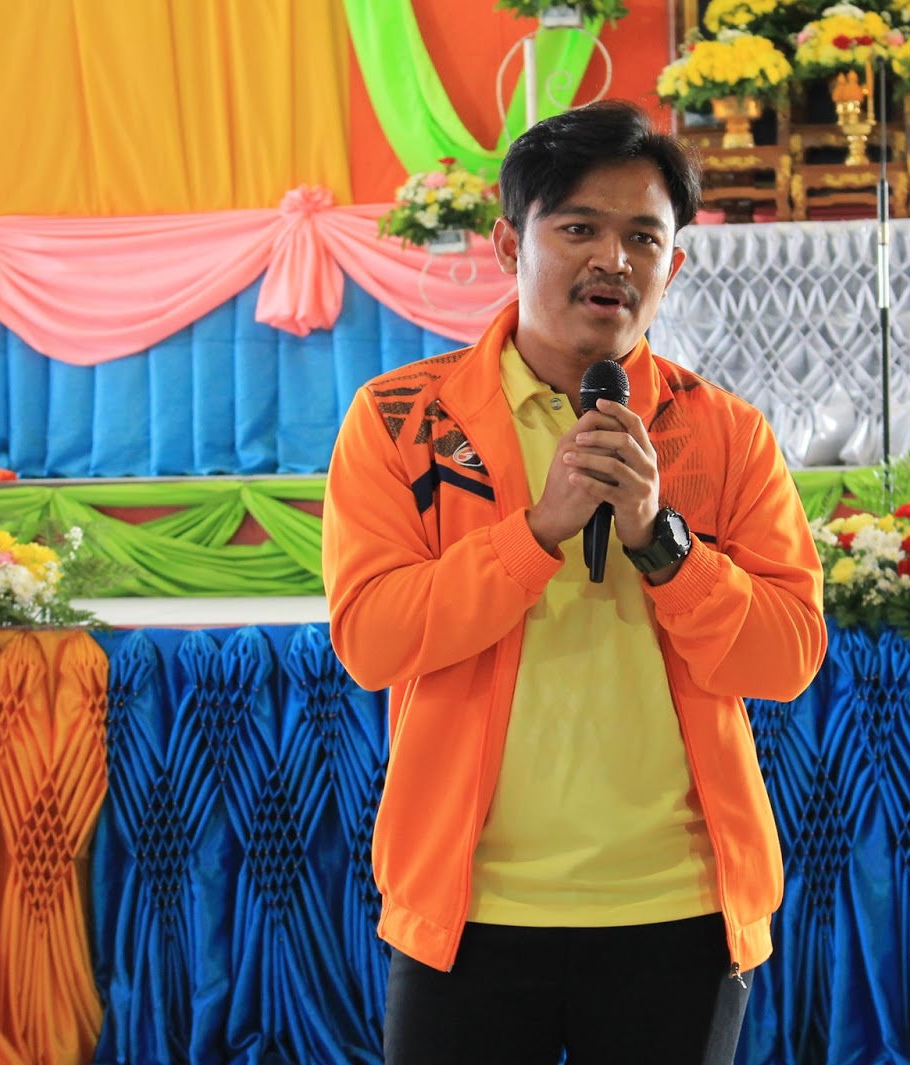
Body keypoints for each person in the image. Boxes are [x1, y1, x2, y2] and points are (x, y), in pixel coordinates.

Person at [322, 100, 827, 1065]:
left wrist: (663, 543)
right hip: (468, 910)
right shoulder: (402, 419)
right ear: (509, 242)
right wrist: (534, 534)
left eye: (644, 237)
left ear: (675, 264)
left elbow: (788, 657)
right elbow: (372, 639)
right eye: (579, 228)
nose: (614, 260)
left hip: (677, 908)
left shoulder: (726, 434)